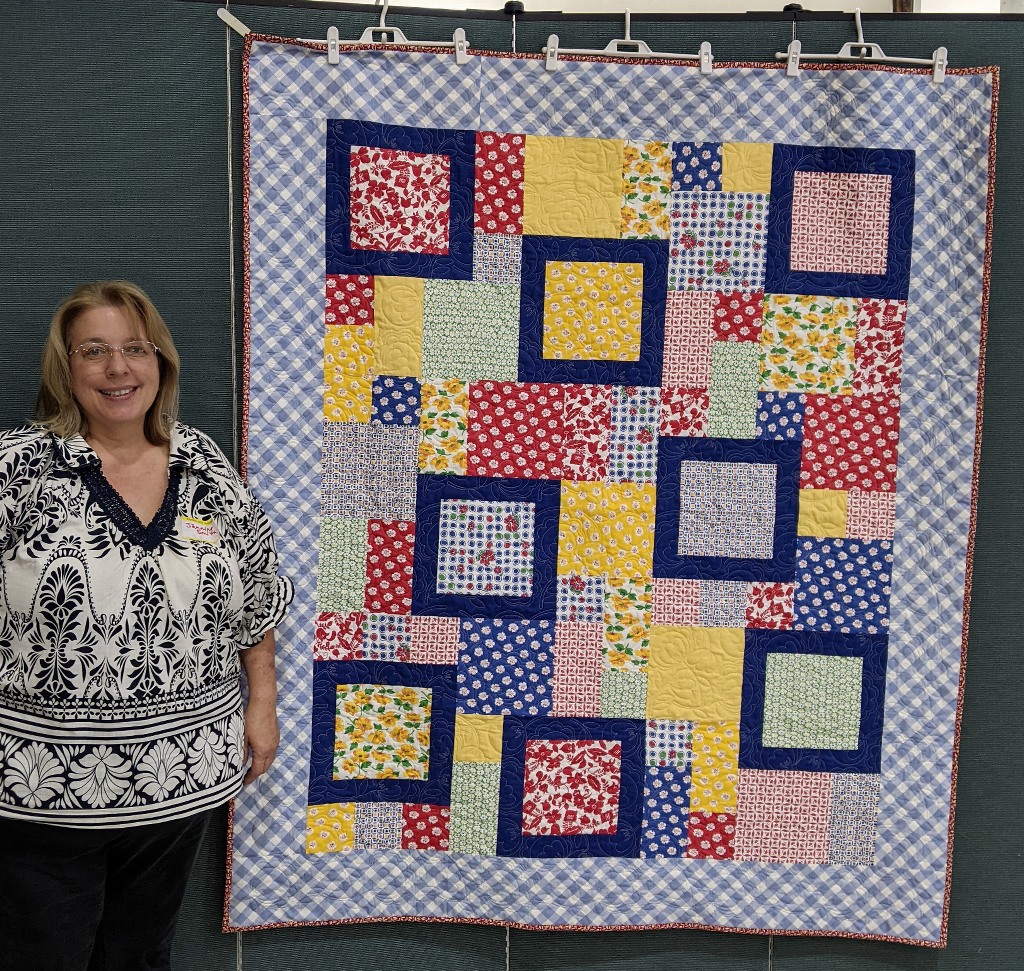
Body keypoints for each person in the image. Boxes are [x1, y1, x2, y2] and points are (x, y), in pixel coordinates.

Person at [0, 281, 293, 969]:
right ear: (65, 367)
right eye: (93, 351)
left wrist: (262, 704)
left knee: (141, 955)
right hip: (45, 788)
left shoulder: (204, 466)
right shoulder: (17, 468)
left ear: (160, 361)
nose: (117, 368)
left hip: (182, 777)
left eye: (135, 348)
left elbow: (255, 594)